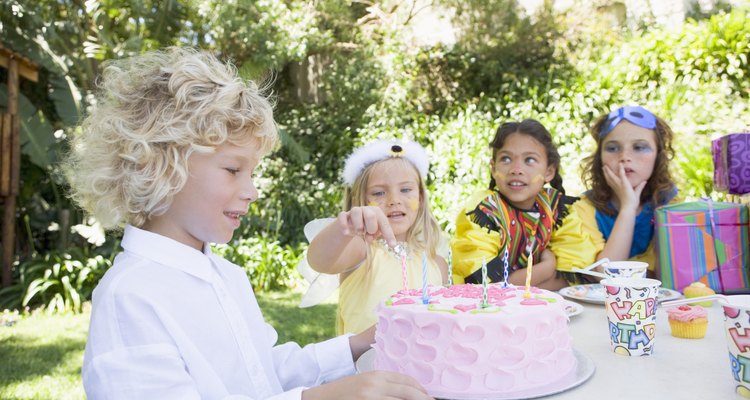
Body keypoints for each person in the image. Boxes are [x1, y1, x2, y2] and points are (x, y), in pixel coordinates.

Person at [64, 47, 432, 400]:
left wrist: (365, 339)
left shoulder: (226, 275)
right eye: (233, 170)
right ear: (160, 165)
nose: (252, 191)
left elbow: (263, 372)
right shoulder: (130, 297)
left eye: (251, 173)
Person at [306, 139, 448, 335]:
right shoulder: (362, 249)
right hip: (369, 364)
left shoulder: (436, 263)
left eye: (406, 190)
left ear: (421, 198)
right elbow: (320, 261)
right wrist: (345, 227)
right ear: (359, 201)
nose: (394, 200)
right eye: (379, 193)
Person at [549, 105, 678, 283]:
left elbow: (671, 275)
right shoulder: (582, 208)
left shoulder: (670, 205)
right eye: (612, 148)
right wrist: (628, 208)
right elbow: (605, 275)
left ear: (658, 155)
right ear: (599, 157)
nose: (624, 156)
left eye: (639, 147)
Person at [451, 119, 575, 291]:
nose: (516, 169)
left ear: (549, 172)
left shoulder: (557, 208)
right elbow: (486, 288)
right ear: (494, 169)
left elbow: (571, 279)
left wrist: (516, 283)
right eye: (506, 159)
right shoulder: (483, 211)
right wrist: (546, 268)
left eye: (529, 160)